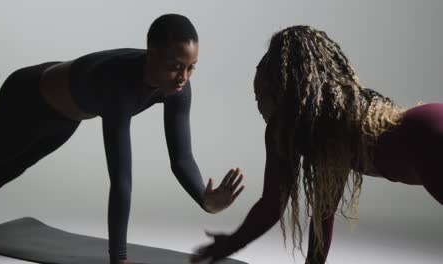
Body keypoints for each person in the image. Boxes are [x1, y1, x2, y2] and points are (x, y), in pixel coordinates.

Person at [0, 14, 245, 264]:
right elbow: (121, 178)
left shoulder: (178, 86)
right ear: (152, 55)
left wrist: (203, 198)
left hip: (67, 117)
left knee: (22, 159)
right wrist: (119, 257)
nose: (183, 78)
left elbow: (181, 158)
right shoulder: (119, 85)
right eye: (175, 67)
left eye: (191, 68)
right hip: (27, 94)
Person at [190, 25, 443, 264]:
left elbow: (273, 204)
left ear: (283, 92)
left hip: (426, 139)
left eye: (262, 97)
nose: (259, 107)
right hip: (428, 124)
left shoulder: (322, 125)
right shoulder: (335, 123)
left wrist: (233, 242)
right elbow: (322, 210)